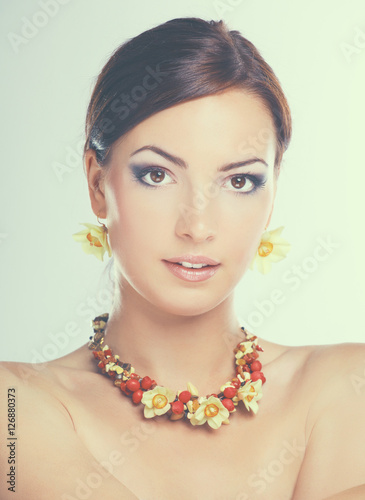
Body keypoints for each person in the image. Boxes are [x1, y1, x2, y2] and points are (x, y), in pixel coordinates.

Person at [1, 16, 365, 500]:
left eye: (239, 181)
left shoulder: (346, 387)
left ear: (272, 195)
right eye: (157, 174)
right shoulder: (13, 405)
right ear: (97, 184)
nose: (196, 225)